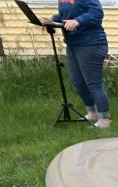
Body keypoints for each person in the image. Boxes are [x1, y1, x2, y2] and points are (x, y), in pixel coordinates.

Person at [45, 0, 111, 128]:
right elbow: (64, 16)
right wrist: (52, 20)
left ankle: (104, 119)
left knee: (93, 83)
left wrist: (78, 20)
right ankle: (92, 113)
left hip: (91, 44)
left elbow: (97, 13)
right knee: (77, 81)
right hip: (73, 44)